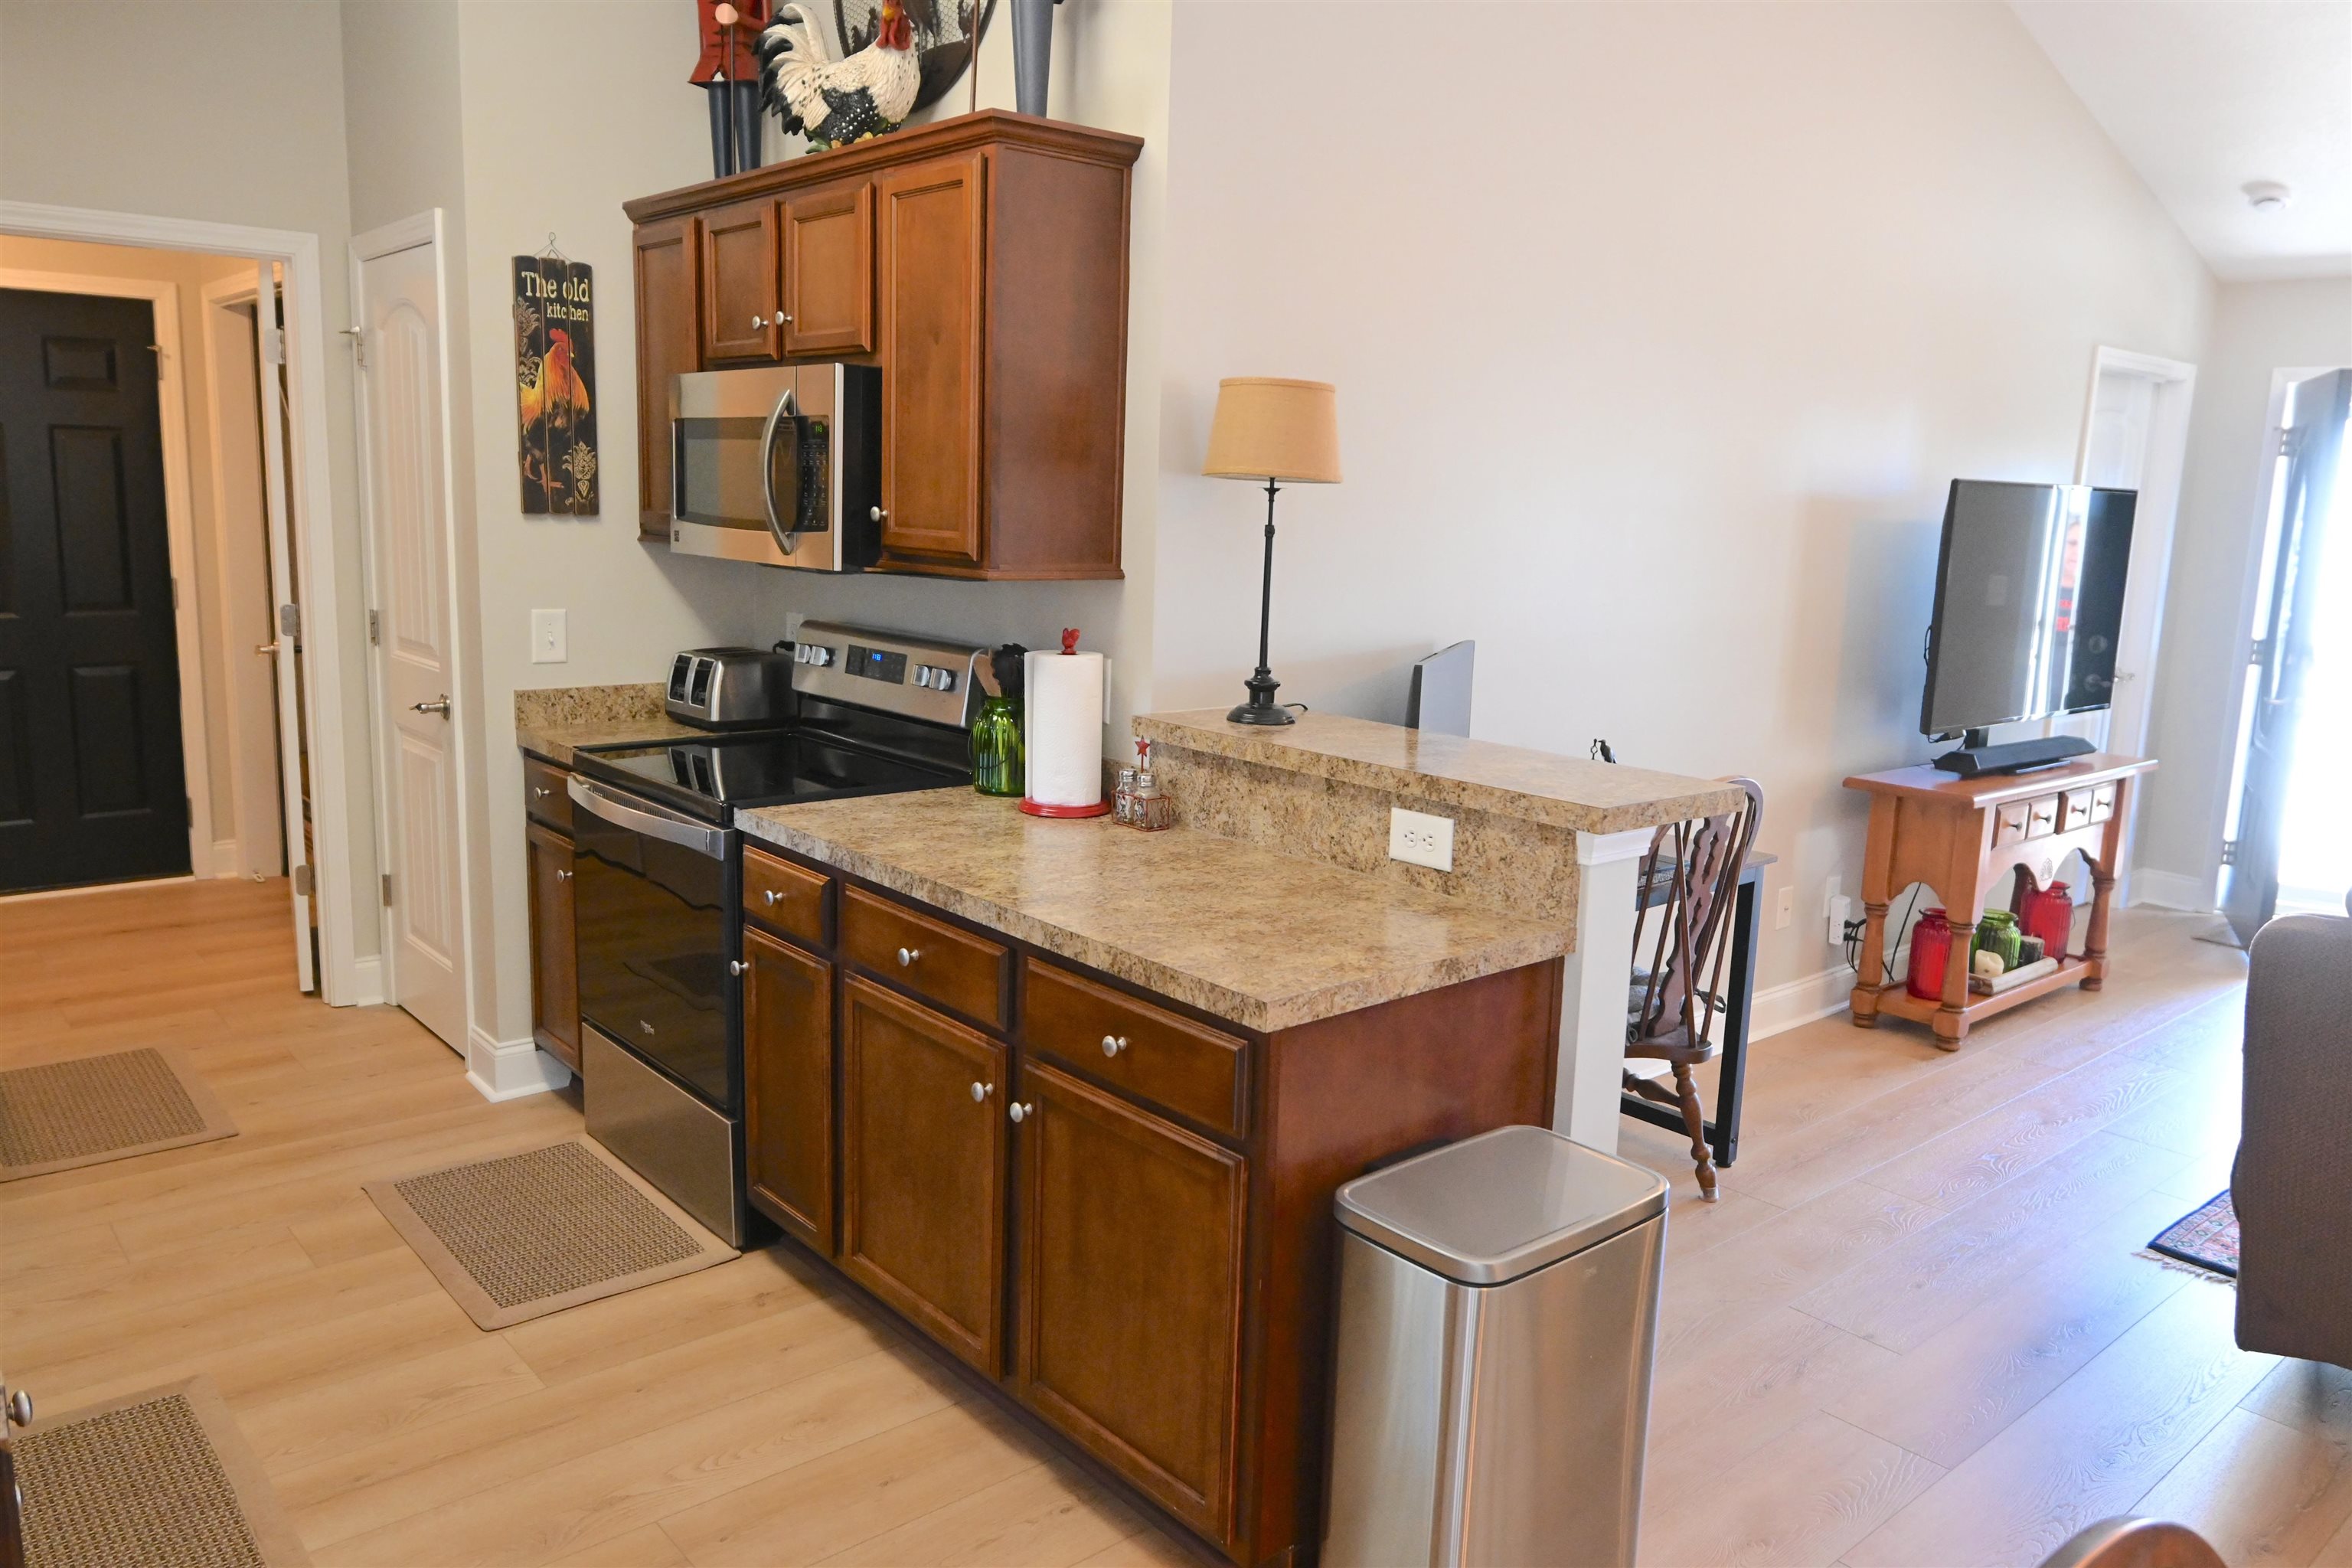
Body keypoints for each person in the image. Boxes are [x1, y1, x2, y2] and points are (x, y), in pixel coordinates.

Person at [693, 0, 769, 178]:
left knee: (750, 159)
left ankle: (751, 188)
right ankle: (722, 191)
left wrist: (738, 18)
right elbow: (703, 31)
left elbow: (770, 25)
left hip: (744, 59)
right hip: (713, 62)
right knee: (721, 161)